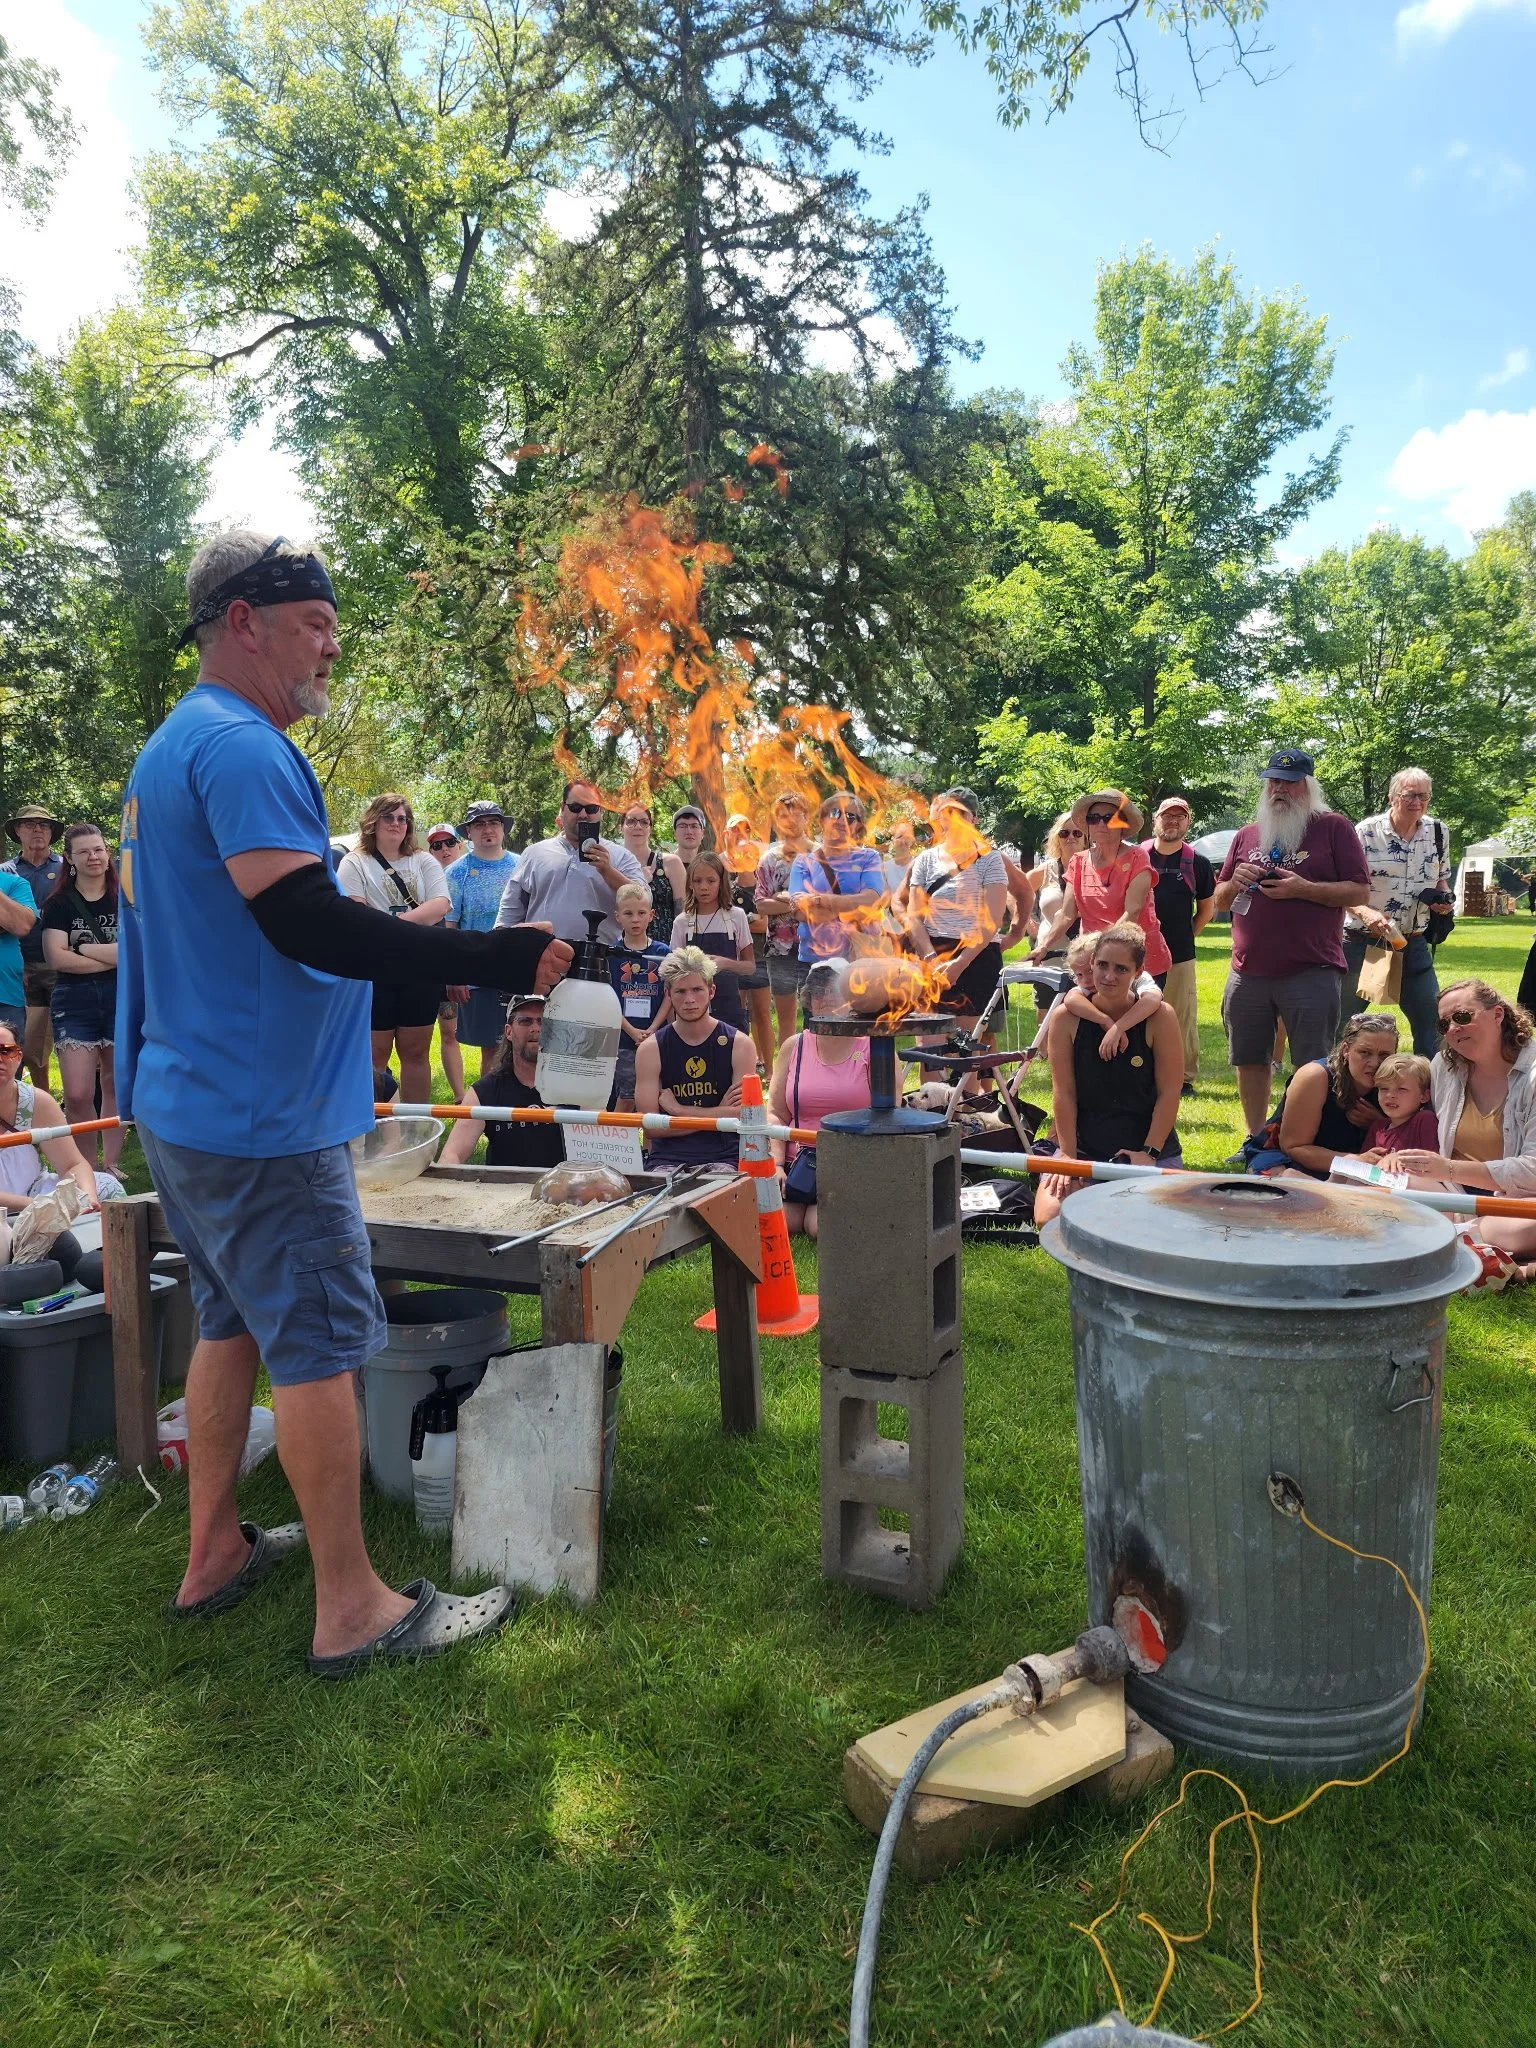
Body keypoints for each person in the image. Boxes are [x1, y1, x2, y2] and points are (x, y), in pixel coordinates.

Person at [117, 527, 568, 1675]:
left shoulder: (172, 746)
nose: (330, 643)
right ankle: (353, 1606)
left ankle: (212, 1546)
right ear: (242, 621)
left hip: (186, 1099)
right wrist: (489, 954)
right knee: (317, 1340)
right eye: (313, 622)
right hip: (262, 1114)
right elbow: (304, 919)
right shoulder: (243, 744)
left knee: (229, 1323)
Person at [1212, 750, 1372, 1140]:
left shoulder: (1334, 827)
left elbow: (1360, 890)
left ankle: (1298, 1139)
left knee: (1311, 1064)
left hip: (1310, 969)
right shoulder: (1247, 834)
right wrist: (1235, 882)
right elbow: (1218, 900)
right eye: (1274, 781)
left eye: (1289, 781)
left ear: (1308, 786)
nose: (1280, 789)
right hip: (1246, 971)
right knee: (1250, 1059)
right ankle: (1254, 1137)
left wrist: (1304, 889)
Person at [1033, 923, 1184, 1226]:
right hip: (1086, 1146)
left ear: (1138, 972)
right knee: (1049, 1218)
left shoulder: (1161, 1016)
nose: (1108, 976)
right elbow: (1064, 1093)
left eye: (1121, 968)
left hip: (1146, 1144)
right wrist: (1068, 1158)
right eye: (1102, 965)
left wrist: (1149, 1153)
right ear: (1091, 964)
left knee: (1156, 1223)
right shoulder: (1065, 1018)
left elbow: (1170, 1092)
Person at [1392, 979, 1536, 1276]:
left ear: (1498, 1015)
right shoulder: (1444, 1067)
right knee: (1373, 1185)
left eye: (1461, 1016)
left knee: (1523, 1226)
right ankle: (1475, 1245)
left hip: (1515, 1201)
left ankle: (1447, 1237)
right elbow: (1409, 1104)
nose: (1453, 1029)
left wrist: (1448, 1168)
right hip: (1453, 1195)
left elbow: (1532, 1171)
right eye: (1444, 1024)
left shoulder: (1532, 1076)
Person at [336, 795, 451, 1105]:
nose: (397, 824)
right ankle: (369, 1129)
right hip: (375, 968)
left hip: (419, 966)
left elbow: (440, 905)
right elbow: (356, 914)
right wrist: (408, 926)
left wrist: (393, 927)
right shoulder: (354, 862)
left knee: (416, 1052)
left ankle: (416, 1128)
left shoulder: (423, 860)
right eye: (389, 817)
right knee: (375, 1054)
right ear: (373, 822)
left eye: (403, 819)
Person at [1342, 767, 1454, 1059]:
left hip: (1412, 943)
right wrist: (1367, 913)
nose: (1417, 802)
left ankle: (1427, 1097)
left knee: (1434, 1026)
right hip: (1363, 943)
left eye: (1424, 796)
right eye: (1410, 795)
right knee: (1342, 1026)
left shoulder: (1439, 832)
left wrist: (1442, 898)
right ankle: (1333, 1091)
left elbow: (1441, 878)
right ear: (1393, 797)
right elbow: (1343, 889)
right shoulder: (1364, 832)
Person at [767, 961, 871, 1237]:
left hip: (849, 1163)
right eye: (818, 992)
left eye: (835, 990)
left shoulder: (874, 1047)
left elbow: (888, 1116)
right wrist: (776, 1165)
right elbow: (775, 1112)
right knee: (780, 1222)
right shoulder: (794, 1046)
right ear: (809, 1000)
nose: (826, 999)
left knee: (819, 1227)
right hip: (797, 1165)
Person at [41, 822, 122, 1175]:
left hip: (122, 996)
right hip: (73, 1002)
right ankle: (86, 1167)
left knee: (117, 1083)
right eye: (85, 851)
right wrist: (109, 956)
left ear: (108, 853)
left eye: (99, 849)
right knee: (77, 1092)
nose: (94, 857)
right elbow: (56, 958)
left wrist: (84, 947)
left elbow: (137, 954)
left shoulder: (126, 897)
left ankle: (112, 1162)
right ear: (70, 859)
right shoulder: (58, 903)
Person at [634, 946, 757, 1173]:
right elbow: (650, 1127)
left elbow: (744, 1117)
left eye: (697, 989)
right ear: (668, 994)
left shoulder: (739, 1044)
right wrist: (717, 1114)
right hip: (666, 1160)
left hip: (725, 1159)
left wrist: (678, 1111)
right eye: (680, 991)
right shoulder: (651, 1049)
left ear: (711, 991)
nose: (689, 999)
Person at [1032, 790, 1172, 985]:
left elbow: (1132, 912)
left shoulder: (1138, 857)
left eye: (1108, 818)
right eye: (1093, 818)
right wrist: (1044, 946)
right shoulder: (1078, 862)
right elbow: (1066, 914)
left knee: (1136, 1014)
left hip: (1137, 961)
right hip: (1094, 963)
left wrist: (1099, 948)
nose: (1100, 823)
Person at [0, 1019, 121, 1233]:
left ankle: (116, 1256)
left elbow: (72, 1164)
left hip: (35, 1192)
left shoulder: (36, 1102)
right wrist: (42, 1208)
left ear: (18, 1057)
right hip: (20, 1207)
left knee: (107, 1187)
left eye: (5, 1051)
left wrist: (87, 1198)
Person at [898, 788, 1009, 1020]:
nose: (954, 819)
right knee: (929, 1048)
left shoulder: (990, 859)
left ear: (974, 819)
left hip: (976, 958)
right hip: (932, 955)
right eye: (948, 812)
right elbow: (914, 917)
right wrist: (931, 959)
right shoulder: (925, 860)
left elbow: (992, 920)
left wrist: (960, 963)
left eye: (962, 813)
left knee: (967, 1049)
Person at [1245, 1010, 1398, 1178]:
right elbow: (1293, 1147)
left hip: (1352, 1165)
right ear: (1346, 1050)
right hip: (1287, 1158)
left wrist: (1378, 1124)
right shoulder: (1315, 1077)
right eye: (1364, 1052)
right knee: (1289, 1181)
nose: (1375, 1063)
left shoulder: (1401, 1082)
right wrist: (1353, 1161)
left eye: (1384, 1055)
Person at [496, 779, 643, 946]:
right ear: (562, 808)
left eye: (591, 808)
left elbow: (644, 899)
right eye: (575, 808)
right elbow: (509, 911)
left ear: (600, 812)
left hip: (600, 960)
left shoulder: (620, 855)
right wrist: (501, 945)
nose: (583, 814)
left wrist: (608, 871)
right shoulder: (534, 853)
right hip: (541, 958)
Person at [437, 994, 566, 1169]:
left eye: (543, 1022)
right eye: (525, 1021)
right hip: (503, 1191)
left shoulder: (575, 1087)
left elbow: (603, 1142)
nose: (536, 1028)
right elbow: (452, 1154)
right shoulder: (484, 1091)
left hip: (564, 1190)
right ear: (508, 1032)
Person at [1143, 796, 1215, 1095]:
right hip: (1137, 954)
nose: (1172, 821)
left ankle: (1183, 1078)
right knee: (1137, 1013)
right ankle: (1140, 1071)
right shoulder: (1136, 856)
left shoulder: (1197, 862)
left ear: (1188, 822)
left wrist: (1186, 937)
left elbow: (1207, 910)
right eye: (1166, 816)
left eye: (1179, 817)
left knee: (1180, 1017)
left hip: (1179, 954)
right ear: (1155, 820)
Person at [446, 800, 521, 1083]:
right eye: (479, 824)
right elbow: (451, 927)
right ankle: (492, 1115)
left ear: (503, 829)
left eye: (493, 823)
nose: (487, 829)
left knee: (528, 1043)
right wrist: (454, 974)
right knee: (493, 1047)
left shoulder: (522, 864)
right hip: (479, 971)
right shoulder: (456, 872)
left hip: (520, 967)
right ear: (469, 832)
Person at [1023, 930, 1164, 1065]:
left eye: (1089, 972)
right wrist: (1105, 1020)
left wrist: (1118, 1028)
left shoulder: (1135, 977)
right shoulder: (1088, 985)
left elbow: (1153, 999)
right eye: (1079, 975)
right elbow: (1071, 999)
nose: (1085, 981)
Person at [787, 792, 886, 969]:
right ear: (822, 820)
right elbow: (800, 911)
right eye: (835, 813)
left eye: (850, 817)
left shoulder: (869, 858)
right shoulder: (804, 862)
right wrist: (853, 909)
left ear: (858, 826)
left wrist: (820, 900)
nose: (842, 821)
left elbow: (872, 900)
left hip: (860, 959)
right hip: (814, 960)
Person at [2, 806, 64, 1088]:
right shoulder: (7, 872)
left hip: (63, 965)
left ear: (52, 832)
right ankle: (39, 1107)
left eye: (44, 825)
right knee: (29, 1047)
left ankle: (85, 1106)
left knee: (75, 1037)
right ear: (17, 831)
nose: (37, 829)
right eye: (29, 824)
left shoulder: (66, 869)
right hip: (21, 967)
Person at [670, 849, 755, 1033]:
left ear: (721, 882)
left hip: (729, 1008)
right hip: (692, 1011)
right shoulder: (682, 922)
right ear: (690, 884)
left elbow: (750, 966)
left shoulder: (736, 916)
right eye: (697, 881)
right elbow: (673, 974)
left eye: (711, 881)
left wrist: (725, 964)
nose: (704, 887)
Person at [756, 789, 814, 1047]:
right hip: (780, 948)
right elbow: (761, 904)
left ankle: (818, 1069)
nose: (789, 820)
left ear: (806, 817)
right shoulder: (769, 859)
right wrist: (793, 903)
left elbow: (823, 901)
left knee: (817, 1012)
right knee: (786, 1015)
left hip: (816, 945)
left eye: (795, 814)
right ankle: (789, 1074)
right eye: (782, 815)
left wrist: (782, 897)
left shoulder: (821, 856)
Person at [609, 881, 671, 1111]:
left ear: (651, 915)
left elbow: (670, 995)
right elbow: (608, 1001)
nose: (635, 919)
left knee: (654, 1099)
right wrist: (632, 1031)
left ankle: (651, 1148)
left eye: (641, 913)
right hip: (625, 1039)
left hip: (656, 1037)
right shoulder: (611, 954)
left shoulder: (663, 953)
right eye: (628, 913)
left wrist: (653, 1029)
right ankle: (616, 1146)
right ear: (618, 916)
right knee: (627, 1097)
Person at [1024, 814, 1085, 1012]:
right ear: (1056, 837)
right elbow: (1016, 891)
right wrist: (1026, 920)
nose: (1070, 838)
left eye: (1077, 833)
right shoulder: (1047, 869)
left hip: (1085, 961)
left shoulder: (1096, 867)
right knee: (1045, 1027)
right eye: (1064, 833)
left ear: (1087, 838)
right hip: (1049, 959)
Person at [425, 823, 466, 1099]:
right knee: (437, 1034)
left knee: (453, 1033)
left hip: (464, 962)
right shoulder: (425, 877)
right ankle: (459, 1098)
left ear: (460, 844)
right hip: (434, 964)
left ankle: (469, 1098)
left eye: (449, 842)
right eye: (437, 845)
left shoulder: (465, 873)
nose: (444, 849)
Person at [619, 801, 685, 945]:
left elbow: (682, 913)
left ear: (650, 828)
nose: (638, 826)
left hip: (664, 950)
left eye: (644, 822)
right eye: (631, 821)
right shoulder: (612, 865)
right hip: (620, 950)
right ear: (620, 827)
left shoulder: (671, 863)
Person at [1359, 1053, 1439, 1160]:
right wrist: (1365, 1159)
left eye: (1402, 1089)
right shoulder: (1377, 1127)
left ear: (1424, 1096)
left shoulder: (1424, 1120)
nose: (1390, 1095)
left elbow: (1431, 1163)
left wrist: (1396, 1161)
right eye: (1383, 1088)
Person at [671, 802, 709, 874]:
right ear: (674, 833)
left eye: (694, 826)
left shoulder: (709, 867)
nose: (689, 832)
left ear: (702, 834)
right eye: (683, 826)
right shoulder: (664, 865)